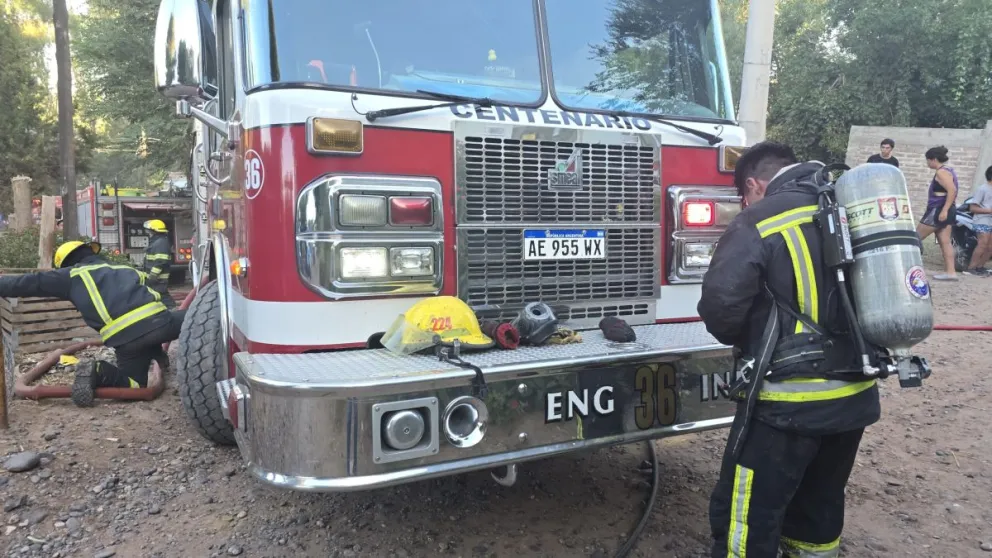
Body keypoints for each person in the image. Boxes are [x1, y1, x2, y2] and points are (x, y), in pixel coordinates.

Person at [699, 141, 881, 558]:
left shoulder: (758, 220)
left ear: (753, 186)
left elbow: (721, 310)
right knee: (818, 510)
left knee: (747, 517)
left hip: (786, 405)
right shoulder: (850, 208)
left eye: (742, 197)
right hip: (854, 399)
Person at [0, 241, 186, 407]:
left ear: (65, 264)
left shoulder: (70, 275)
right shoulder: (126, 269)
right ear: (90, 252)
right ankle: (157, 354)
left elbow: (27, 283)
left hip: (127, 341)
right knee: (197, 315)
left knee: (135, 386)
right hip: (162, 325)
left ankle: (98, 371)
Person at [916, 146, 959, 281]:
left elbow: (952, 191)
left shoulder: (941, 172)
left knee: (914, 238)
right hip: (946, 209)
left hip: (938, 210)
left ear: (933, 159)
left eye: (928, 160)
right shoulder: (949, 170)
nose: (927, 163)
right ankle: (951, 273)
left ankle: (907, 267)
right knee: (945, 242)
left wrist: (944, 210)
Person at [964, 165, 992, 276]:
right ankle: (971, 268)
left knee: (990, 247)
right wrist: (989, 210)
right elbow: (973, 208)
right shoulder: (983, 189)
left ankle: (980, 267)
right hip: (982, 220)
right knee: (982, 244)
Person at [141, 219, 175, 308]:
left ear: (154, 231)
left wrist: (153, 275)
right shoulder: (158, 242)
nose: (147, 232)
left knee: (163, 297)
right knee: (157, 296)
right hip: (155, 278)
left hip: (158, 278)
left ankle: (174, 311)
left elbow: (161, 262)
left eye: (148, 230)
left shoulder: (160, 243)